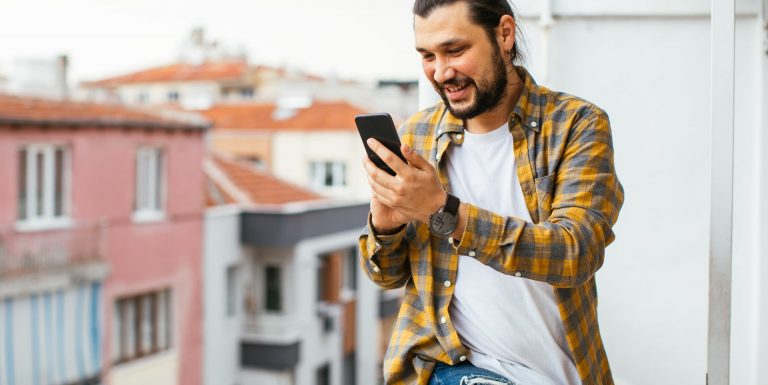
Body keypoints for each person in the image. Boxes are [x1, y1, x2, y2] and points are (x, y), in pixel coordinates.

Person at [359, 0, 624, 384]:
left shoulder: (576, 125)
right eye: (427, 56)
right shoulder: (417, 136)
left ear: (504, 34)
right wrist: (385, 228)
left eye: (455, 50)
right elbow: (386, 276)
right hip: (451, 367)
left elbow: (576, 253)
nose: (442, 72)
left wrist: (443, 210)